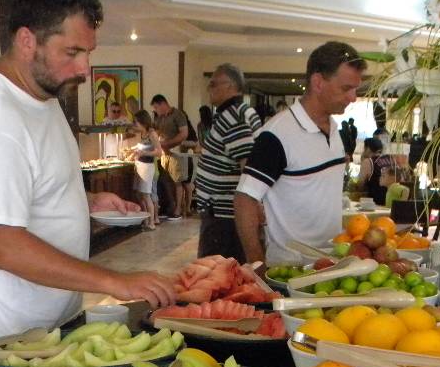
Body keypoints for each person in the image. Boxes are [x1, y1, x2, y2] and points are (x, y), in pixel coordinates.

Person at [0, 0, 175, 367]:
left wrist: (85, 200)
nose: (84, 68)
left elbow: (29, 186)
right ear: (27, 41)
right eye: (72, 52)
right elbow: (7, 248)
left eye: (88, 52)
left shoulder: (40, 93)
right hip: (4, 330)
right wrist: (115, 281)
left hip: (46, 321)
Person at [234, 41, 366, 265]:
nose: (353, 97)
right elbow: (244, 199)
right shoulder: (277, 134)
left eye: (355, 89)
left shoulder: (334, 129)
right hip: (291, 270)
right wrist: (257, 264)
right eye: (346, 88)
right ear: (318, 82)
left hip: (332, 264)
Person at [194, 63, 261, 262]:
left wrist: (253, 206)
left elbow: (248, 164)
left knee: (216, 271)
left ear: (230, 85)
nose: (209, 88)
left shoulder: (233, 116)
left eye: (213, 84)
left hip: (224, 215)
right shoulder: (241, 111)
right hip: (227, 212)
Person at [150, 94, 189, 219]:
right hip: (163, 153)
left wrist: (168, 143)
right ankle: (170, 205)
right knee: (165, 180)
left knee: (177, 181)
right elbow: (156, 131)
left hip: (175, 152)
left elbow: (184, 134)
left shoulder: (178, 114)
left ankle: (178, 210)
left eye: (156, 107)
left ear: (163, 104)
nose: (156, 110)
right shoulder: (159, 118)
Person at [129, 109, 162, 228]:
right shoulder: (142, 134)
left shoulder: (152, 134)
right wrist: (134, 152)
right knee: (140, 194)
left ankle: (151, 222)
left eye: (136, 122)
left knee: (147, 195)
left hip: (147, 167)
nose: (135, 125)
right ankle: (146, 219)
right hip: (140, 165)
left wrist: (144, 153)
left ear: (143, 122)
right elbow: (144, 147)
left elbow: (159, 152)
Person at [356, 136, 397, 205]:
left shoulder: (368, 161)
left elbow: (360, 184)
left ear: (367, 148)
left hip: (376, 203)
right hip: (392, 201)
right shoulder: (391, 159)